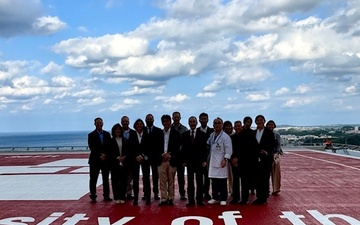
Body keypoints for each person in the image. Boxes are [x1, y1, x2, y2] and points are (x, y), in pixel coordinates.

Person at [182, 116, 208, 206]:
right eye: (191, 122)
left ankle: (200, 200)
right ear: (188, 123)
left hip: (199, 162)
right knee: (190, 182)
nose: (192, 123)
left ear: (196, 123)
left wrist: (204, 160)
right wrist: (184, 161)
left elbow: (205, 149)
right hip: (189, 162)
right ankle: (191, 201)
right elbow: (183, 149)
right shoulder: (184, 135)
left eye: (194, 122)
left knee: (199, 182)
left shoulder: (202, 134)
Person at [207, 117, 232, 206]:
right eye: (215, 123)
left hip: (222, 161)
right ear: (213, 125)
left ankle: (223, 198)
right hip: (213, 161)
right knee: (214, 181)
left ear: (222, 125)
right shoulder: (212, 135)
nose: (217, 125)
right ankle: (215, 197)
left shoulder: (225, 137)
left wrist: (225, 159)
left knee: (222, 181)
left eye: (219, 123)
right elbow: (208, 145)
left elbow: (229, 149)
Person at [157, 114, 181, 206]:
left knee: (171, 180)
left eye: (167, 121)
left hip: (172, 160)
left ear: (170, 122)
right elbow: (156, 147)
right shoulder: (159, 133)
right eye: (164, 121)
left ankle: (171, 198)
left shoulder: (176, 134)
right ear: (162, 123)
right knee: (162, 181)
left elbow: (178, 147)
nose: (166, 123)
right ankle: (163, 198)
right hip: (161, 160)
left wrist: (169, 155)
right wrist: (163, 155)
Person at [87, 117, 112, 203]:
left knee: (105, 179)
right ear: (94, 124)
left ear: (103, 123)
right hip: (95, 160)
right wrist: (100, 155)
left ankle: (106, 196)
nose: (99, 124)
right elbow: (92, 147)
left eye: (100, 122)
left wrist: (105, 154)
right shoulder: (91, 135)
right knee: (93, 179)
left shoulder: (107, 134)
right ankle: (93, 196)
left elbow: (109, 147)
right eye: (97, 123)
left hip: (105, 160)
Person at [253, 115, 276, 205]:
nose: (260, 122)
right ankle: (259, 197)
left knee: (265, 178)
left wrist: (267, 152)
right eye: (258, 120)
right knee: (258, 178)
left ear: (264, 121)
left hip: (266, 159)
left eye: (261, 120)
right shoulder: (254, 133)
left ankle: (264, 197)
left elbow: (272, 144)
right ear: (256, 122)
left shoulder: (269, 132)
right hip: (256, 158)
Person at [142, 114, 162, 201]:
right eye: (148, 119)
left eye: (151, 119)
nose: (149, 120)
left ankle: (156, 193)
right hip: (145, 158)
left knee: (155, 176)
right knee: (145, 177)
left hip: (155, 158)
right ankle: (146, 193)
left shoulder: (158, 131)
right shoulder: (142, 130)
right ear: (145, 120)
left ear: (153, 120)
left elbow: (160, 145)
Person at [130, 119, 151, 205]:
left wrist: (142, 156)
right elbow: (130, 147)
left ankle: (148, 197)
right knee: (135, 179)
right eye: (137, 124)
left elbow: (149, 147)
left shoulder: (147, 135)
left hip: (145, 159)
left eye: (141, 124)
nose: (139, 125)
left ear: (143, 125)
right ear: (135, 126)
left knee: (146, 179)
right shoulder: (132, 135)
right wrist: (136, 156)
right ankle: (135, 198)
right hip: (135, 159)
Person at [108, 123, 127, 204]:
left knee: (123, 181)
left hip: (124, 163)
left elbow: (128, 150)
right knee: (115, 181)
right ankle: (116, 197)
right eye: (116, 129)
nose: (118, 131)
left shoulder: (125, 140)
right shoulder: (111, 141)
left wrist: (124, 157)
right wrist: (117, 158)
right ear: (113, 131)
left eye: (119, 129)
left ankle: (122, 196)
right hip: (114, 163)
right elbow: (109, 152)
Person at [171, 111, 188, 200]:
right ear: (172, 118)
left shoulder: (184, 129)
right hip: (172, 157)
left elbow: (186, 145)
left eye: (178, 117)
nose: (176, 119)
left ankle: (182, 193)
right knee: (170, 178)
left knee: (181, 177)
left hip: (181, 158)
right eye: (175, 117)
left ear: (180, 118)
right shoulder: (169, 129)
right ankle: (171, 194)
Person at [197, 112, 213, 200]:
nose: (203, 120)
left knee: (208, 177)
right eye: (202, 119)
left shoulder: (212, 131)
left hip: (210, 157)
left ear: (207, 120)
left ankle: (206, 192)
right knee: (199, 178)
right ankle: (199, 193)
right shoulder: (197, 131)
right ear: (199, 120)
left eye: (205, 119)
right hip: (199, 158)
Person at [120, 116, 137, 200]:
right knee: (122, 177)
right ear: (121, 122)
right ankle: (122, 193)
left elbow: (135, 146)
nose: (125, 123)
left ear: (129, 122)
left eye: (126, 121)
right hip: (121, 159)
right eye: (123, 121)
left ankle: (129, 193)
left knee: (130, 178)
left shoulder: (134, 133)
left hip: (131, 159)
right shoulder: (118, 132)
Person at [266, 120, 283, 195]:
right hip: (266, 155)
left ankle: (276, 189)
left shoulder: (277, 135)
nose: (270, 126)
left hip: (275, 155)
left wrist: (277, 153)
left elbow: (279, 145)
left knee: (276, 173)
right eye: (269, 124)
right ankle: (266, 189)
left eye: (272, 124)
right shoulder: (265, 134)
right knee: (266, 173)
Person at [229, 120, 242, 204]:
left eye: (239, 126)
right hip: (234, 162)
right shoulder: (231, 138)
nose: (237, 128)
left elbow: (247, 150)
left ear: (242, 127)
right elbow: (230, 150)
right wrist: (233, 159)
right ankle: (236, 198)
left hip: (243, 161)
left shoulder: (246, 136)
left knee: (244, 181)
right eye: (236, 126)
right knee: (235, 181)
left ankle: (244, 198)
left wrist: (239, 158)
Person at [223, 120, 234, 196]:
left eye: (229, 126)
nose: (228, 127)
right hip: (222, 158)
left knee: (232, 176)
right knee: (222, 177)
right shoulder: (221, 136)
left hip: (232, 158)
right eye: (226, 126)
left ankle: (232, 190)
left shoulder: (234, 135)